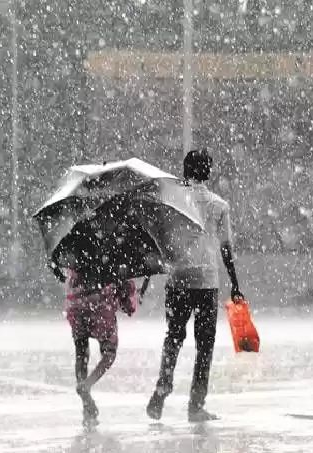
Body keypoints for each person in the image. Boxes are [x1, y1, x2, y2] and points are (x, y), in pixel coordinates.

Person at [146, 149, 243, 423]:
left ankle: (162, 387)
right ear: (207, 171)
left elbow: (159, 241)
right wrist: (235, 284)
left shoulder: (171, 203)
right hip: (205, 281)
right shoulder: (218, 206)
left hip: (178, 279)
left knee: (174, 337)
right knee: (205, 345)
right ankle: (196, 405)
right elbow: (226, 249)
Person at [63, 260, 138, 429]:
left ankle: (87, 406)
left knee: (81, 354)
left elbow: (68, 279)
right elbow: (128, 306)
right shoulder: (119, 257)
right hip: (101, 306)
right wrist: (133, 296)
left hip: (76, 305)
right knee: (109, 353)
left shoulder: (77, 252)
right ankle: (87, 385)